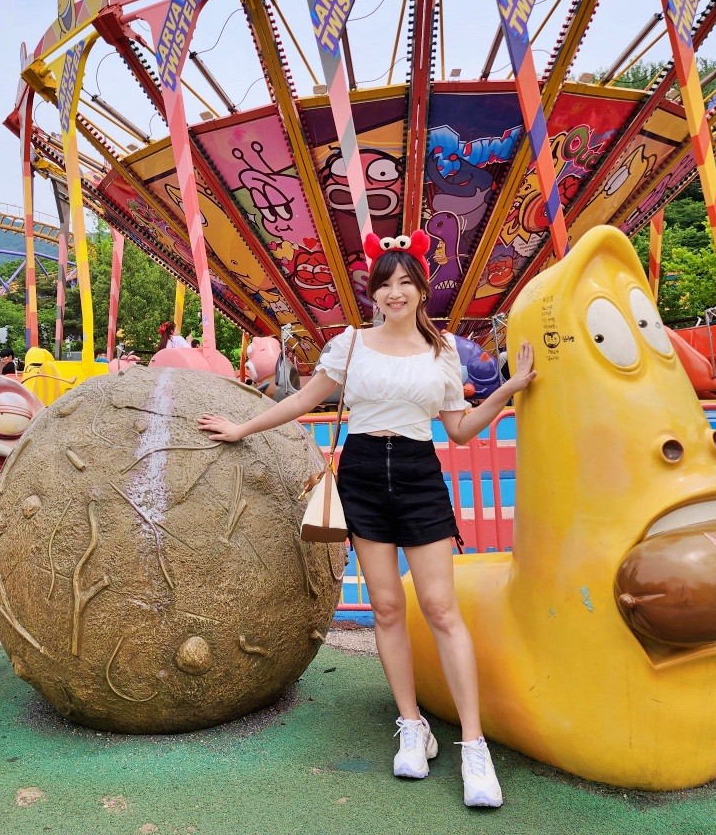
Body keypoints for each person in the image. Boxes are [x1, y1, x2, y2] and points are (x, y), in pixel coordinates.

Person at [197, 231, 535, 810]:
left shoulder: (443, 352)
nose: (395, 292)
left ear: (422, 288)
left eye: (406, 282)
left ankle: (473, 747)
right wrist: (241, 428)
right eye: (385, 283)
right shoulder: (350, 344)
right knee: (385, 606)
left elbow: (457, 428)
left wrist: (509, 386)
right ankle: (412, 725)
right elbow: (305, 400)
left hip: (416, 471)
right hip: (360, 474)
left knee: (440, 608)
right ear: (374, 293)